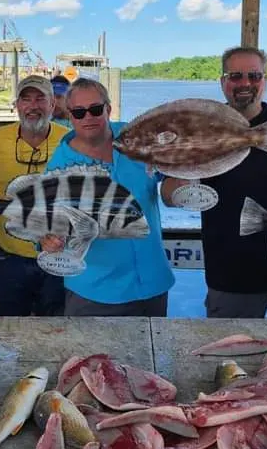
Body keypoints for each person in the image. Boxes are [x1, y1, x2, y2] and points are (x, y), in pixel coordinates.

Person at [161, 47, 267, 318]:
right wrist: (193, 165)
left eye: (254, 76)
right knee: (231, 347)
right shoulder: (199, 128)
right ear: (223, 82)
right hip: (230, 278)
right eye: (235, 76)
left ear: (265, 81)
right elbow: (167, 196)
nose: (245, 83)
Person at [41, 78, 174, 316]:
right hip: (94, 293)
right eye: (79, 112)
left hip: (153, 283)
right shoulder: (57, 168)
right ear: (70, 116)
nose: (88, 117)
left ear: (108, 109)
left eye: (95, 109)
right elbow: (43, 225)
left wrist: (185, 178)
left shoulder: (139, 138)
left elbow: (171, 175)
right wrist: (47, 239)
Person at [0, 75, 68, 316]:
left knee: (58, 329)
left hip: (59, 255)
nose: (33, 106)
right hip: (10, 256)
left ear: (53, 104)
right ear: (17, 105)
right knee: (8, 328)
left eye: (40, 99)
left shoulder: (69, 140)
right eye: (26, 99)